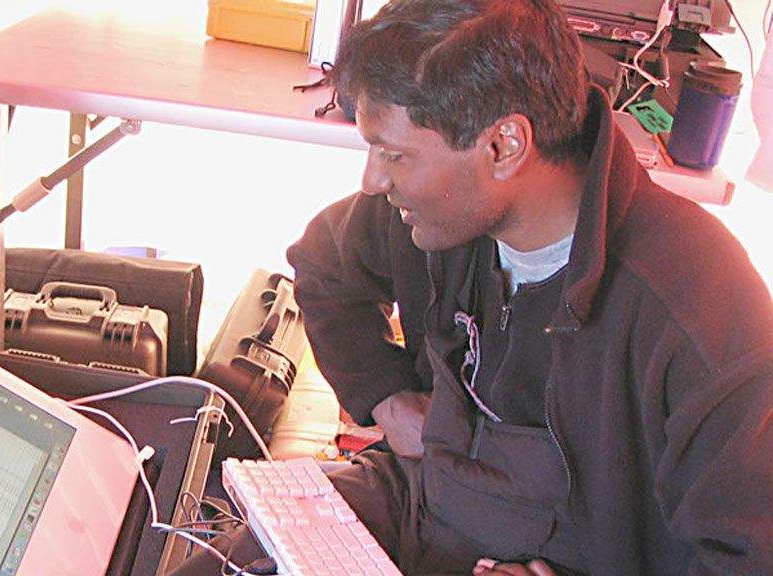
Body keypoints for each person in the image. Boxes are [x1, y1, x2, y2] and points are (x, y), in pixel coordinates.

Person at [170, 0, 773, 574]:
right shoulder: (434, 212)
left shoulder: (700, 308)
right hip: (419, 501)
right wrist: (385, 397)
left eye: (393, 154)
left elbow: (750, 557)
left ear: (503, 146)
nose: (374, 179)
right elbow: (325, 266)